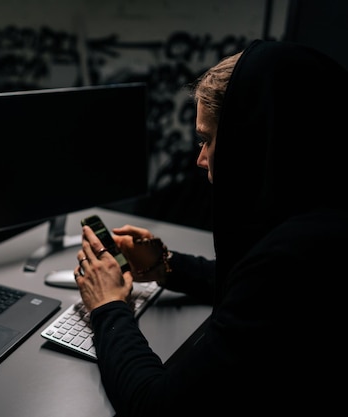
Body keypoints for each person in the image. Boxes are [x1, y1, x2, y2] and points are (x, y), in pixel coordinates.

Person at [73, 39, 347, 416]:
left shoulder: (293, 258)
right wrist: (165, 265)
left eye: (208, 139)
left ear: (253, 138)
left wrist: (107, 307)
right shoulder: (322, 218)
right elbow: (252, 286)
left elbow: (155, 406)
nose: (201, 158)